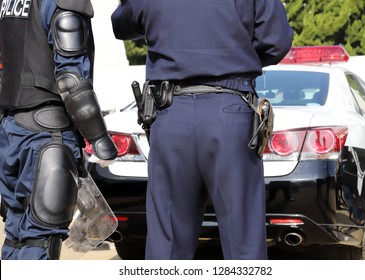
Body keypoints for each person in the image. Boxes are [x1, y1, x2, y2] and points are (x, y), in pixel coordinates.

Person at [111, 0, 293, 260]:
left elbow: (122, 25)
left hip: (172, 113)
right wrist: (234, 54)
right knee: (244, 242)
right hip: (230, 110)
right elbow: (276, 41)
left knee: (168, 245)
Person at [0, 0, 118, 260]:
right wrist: (99, 137)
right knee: (40, 238)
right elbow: (70, 80)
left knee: (17, 234)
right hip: (46, 134)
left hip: (11, 129)